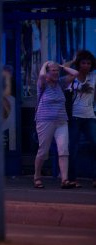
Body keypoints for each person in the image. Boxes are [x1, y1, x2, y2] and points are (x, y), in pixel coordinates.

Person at [34, 61, 78, 189]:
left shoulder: (61, 83)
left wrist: (62, 67)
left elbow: (75, 73)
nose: (56, 73)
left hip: (61, 121)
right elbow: (41, 76)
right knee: (43, 151)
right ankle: (37, 176)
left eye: (56, 70)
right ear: (47, 72)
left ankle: (64, 179)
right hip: (44, 120)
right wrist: (44, 64)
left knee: (64, 149)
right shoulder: (42, 84)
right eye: (52, 70)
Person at [66, 50, 96, 188]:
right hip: (75, 117)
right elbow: (61, 67)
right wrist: (73, 60)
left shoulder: (94, 76)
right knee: (73, 147)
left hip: (90, 116)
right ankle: (72, 178)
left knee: (94, 145)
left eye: (89, 63)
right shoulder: (74, 76)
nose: (86, 65)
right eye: (83, 62)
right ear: (79, 64)